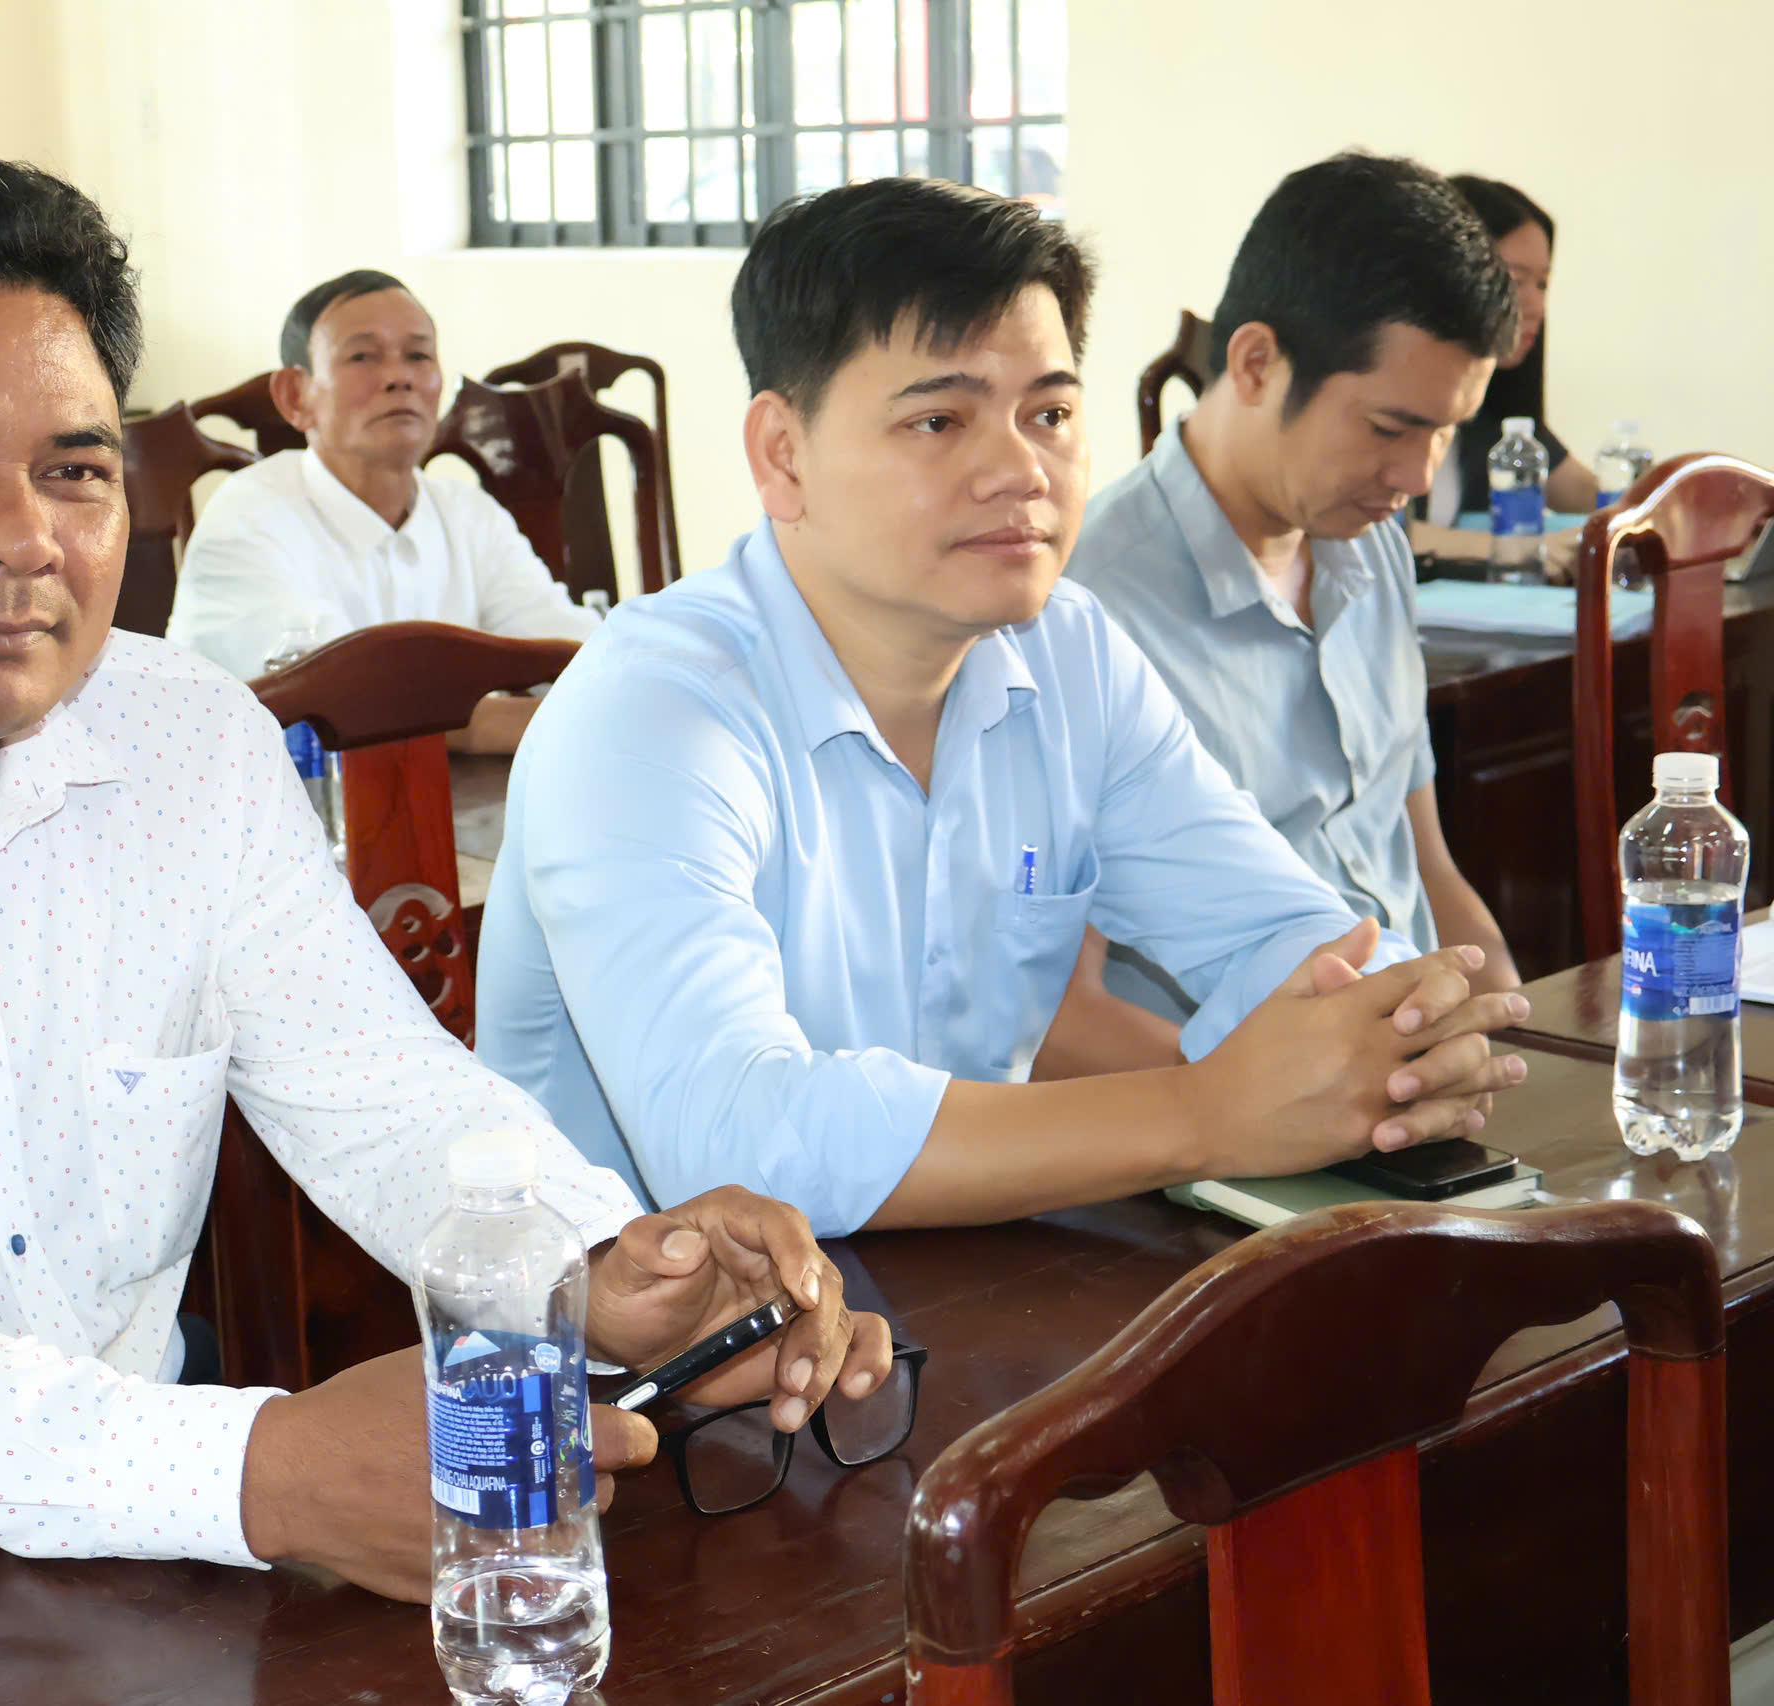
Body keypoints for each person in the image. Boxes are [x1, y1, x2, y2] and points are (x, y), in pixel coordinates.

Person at [0, 154, 889, 1706]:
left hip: (117, 1561)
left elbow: (381, 1090)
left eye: (75, 470)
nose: (24, 537)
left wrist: (597, 1260)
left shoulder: (182, 739)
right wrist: (265, 1471)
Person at [473, 177, 1527, 1238]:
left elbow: (1282, 932)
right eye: (939, 420)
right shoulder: (649, 713)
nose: (1021, 469)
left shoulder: (1069, 655)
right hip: (645, 1329)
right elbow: (736, 1136)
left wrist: (1405, 1019)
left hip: (961, 1273)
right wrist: (1204, 1112)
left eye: (1050, 415)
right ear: (782, 454)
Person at [1070, 152, 1524, 1028]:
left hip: (1410, 1062)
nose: (1417, 475)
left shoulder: (1371, 548)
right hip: (1232, 1090)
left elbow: (1425, 866)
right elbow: (1064, 1017)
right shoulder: (1089, 610)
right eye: (1390, 427)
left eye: (1446, 433)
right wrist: (1276, 1093)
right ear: (1254, 363)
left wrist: (1514, 1027)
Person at [164, 269, 596, 752]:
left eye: (418, 355)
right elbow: (333, 703)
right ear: (294, 395)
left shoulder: (469, 514)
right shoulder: (247, 517)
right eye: (362, 356)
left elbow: (579, 656)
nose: (399, 377)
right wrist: (536, 724)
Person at [1406, 175, 1598, 573]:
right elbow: (1375, 536)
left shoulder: (1500, 412)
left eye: (1542, 284)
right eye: (1514, 280)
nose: (1535, 305)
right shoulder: (1389, 397)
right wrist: (1516, 550)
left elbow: (1584, 492)